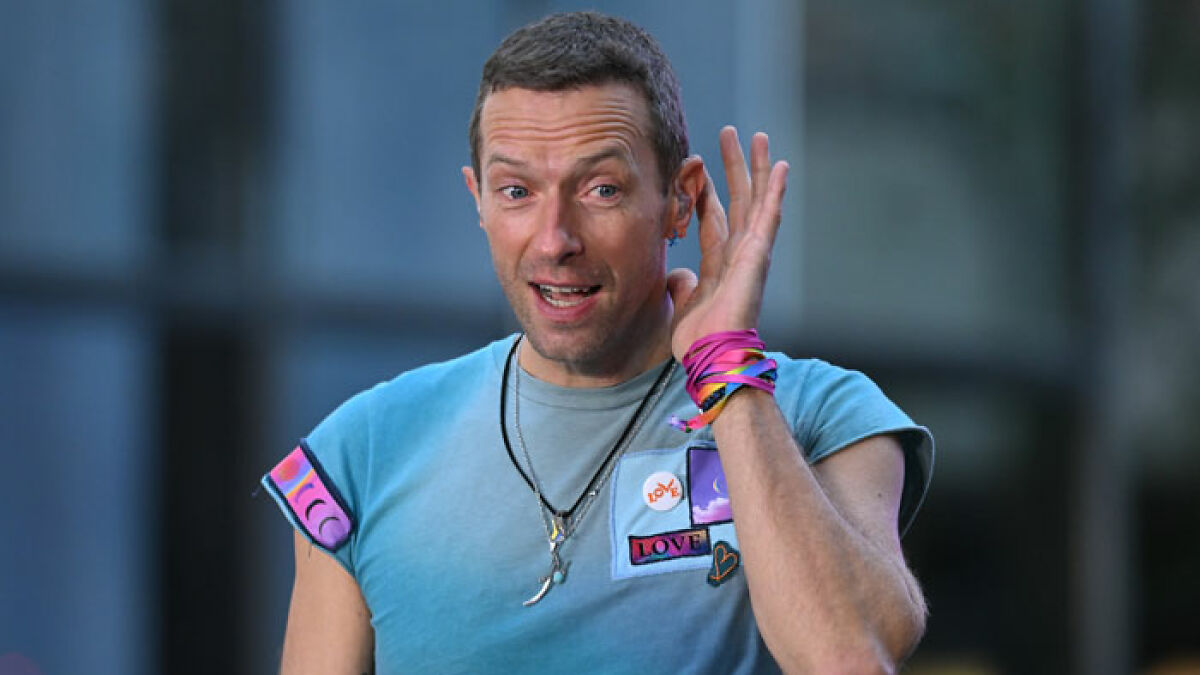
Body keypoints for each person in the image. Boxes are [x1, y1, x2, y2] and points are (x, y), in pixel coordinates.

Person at [263, 11, 933, 674]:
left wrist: (727, 369)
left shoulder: (824, 412)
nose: (555, 238)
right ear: (478, 199)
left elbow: (849, 659)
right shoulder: (360, 452)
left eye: (601, 189)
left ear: (680, 200)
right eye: (517, 191)